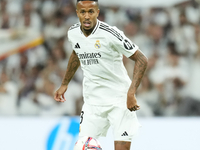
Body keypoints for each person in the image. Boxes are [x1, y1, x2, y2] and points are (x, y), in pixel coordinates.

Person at [54, 0, 148, 149]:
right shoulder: (73, 33)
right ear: (77, 13)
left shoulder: (110, 34)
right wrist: (65, 83)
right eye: (82, 12)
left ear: (97, 13)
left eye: (91, 11)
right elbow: (76, 53)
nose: (86, 16)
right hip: (93, 102)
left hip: (119, 100)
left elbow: (141, 59)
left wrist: (131, 92)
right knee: (82, 146)